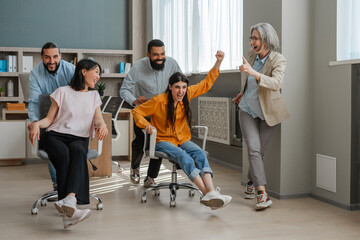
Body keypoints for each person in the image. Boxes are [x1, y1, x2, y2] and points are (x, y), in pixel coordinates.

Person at [132, 50, 231, 210]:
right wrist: (146, 125)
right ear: (170, 87)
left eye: (184, 87)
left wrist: (218, 62)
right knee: (183, 155)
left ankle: (212, 192)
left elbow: (206, 83)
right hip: (162, 141)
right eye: (177, 87)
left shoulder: (187, 95)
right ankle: (207, 194)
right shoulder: (158, 101)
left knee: (199, 153)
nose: (180, 91)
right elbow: (136, 111)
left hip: (182, 139)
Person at [29, 59, 108, 228]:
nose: (98, 77)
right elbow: (49, 119)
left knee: (79, 152)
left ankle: (69, 202)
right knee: (64, 156)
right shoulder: (62, 91)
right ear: (84, 71)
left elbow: (99, 118)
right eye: (96, 72)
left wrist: (102, 125)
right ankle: (70, 206)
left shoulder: (94, 95)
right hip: (56, 135)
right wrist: (36, 123)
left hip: (79, 138)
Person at [234, 23, 290, 211]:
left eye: (255, 38)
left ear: (266, 40)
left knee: (259, 151)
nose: (252, 42)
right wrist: (243, 92)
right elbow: (249, 80)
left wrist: (254, 73)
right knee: (254, 149)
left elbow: (276, 83)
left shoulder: (278, 59)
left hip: (269, 112)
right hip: (247, 110)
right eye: (251, 38)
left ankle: (250, 179)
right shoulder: (252, 56)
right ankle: (262, 192)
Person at [120, 39, 182, 187]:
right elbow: (124, 90)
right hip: (144, 110)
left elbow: (182, 83)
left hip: (165, 112)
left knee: (158, 142)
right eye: (155, 55)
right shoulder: (138, 67)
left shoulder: (172, 64)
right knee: (140, 141)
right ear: (148, 54)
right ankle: (135, 167)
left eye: (162, 54)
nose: (160, 58)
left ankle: (150, 177)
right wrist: (134, 101)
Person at [28, 42, 75, 191]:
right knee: (49, 140)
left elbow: (80, 95)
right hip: (47, 118)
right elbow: (35, 101)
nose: (51, 61)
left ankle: (70, 183)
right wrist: (34, 121)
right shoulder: (35, 74)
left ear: (60, 56)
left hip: (69, 118)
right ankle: (57, 184)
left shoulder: (71, 70)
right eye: (47, 57)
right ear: (42, 57)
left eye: (55, 56)